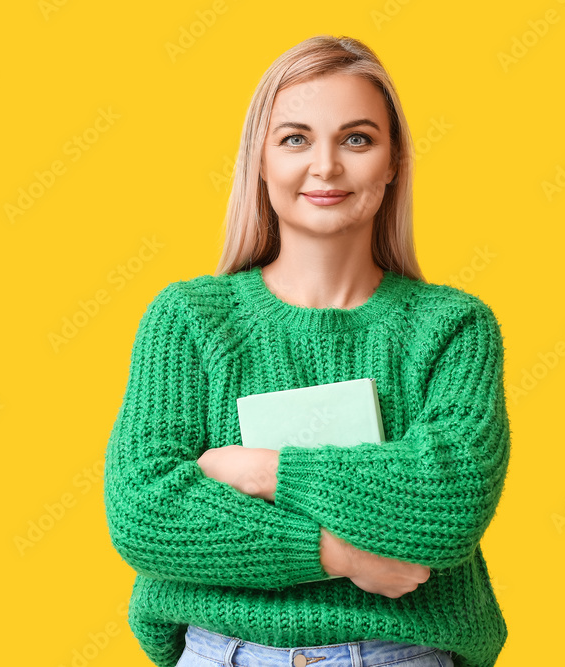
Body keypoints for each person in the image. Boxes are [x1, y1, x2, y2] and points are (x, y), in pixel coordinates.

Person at [103, 34, 511, 667]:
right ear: (260, 160)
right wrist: (338, 552)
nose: (325, 167)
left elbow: (447, 500)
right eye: (295, 139)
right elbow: (145, 511)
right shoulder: (187, 319)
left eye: (357, 138)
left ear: (392, 160)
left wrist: (261, 471)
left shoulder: (453, 328)